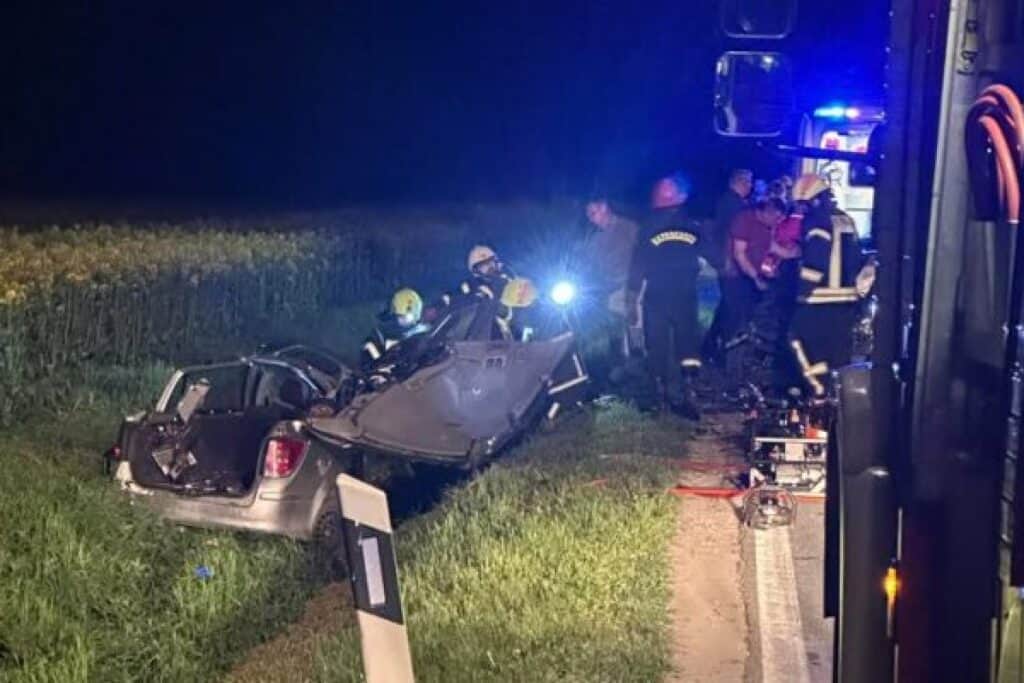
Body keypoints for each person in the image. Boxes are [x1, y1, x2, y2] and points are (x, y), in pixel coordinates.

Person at [787, 174, 876, 397]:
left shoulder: (817, 222)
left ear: (816, 200)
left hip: (818, 300)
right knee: (839, 356)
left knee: (799, 344)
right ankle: (836, 400)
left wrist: (801, 291)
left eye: (804, 204)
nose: (801, 210)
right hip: (846, 301)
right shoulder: (845, 219)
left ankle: (816, 394)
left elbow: (816, 259)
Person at [627, 173, 704, 418]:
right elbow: (714, 255)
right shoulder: (688, 224)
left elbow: (638, 263)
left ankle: (674, 394)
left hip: (669, 293)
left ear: (680, 195)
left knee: (669, 343)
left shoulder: (656, 225)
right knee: (675, 343)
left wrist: (632, 294)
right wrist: (632, 295)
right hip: (671, 293)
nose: (657, 191)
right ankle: (668, 394)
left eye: (664, 188)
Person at [581, 198, 640, 364]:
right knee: (616, 325)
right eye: (588, 215)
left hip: (632, 284)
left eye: (593, 213)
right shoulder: (596, 238)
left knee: (635, 323)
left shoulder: (628, 227)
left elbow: (642, 253)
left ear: (604, 207)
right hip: (611, 287)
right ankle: (621, 360)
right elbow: (590, 263)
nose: (591, 218)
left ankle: (639, 359)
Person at [704, 168, 753, 364]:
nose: (750, 186)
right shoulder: (732, 204)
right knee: (733, 308)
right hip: (730, 263)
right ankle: (722, 349)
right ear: (739, 181)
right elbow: (727, 234)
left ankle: (709, 346)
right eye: (748, 181)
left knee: (726, 306)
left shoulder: (732, 202)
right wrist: (728, 261)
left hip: (730, 262)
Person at [722, 198, 787, 344]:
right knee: (734, 314)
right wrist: (756, 278)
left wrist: (792, 253)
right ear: (768, 212)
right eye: (776, 218)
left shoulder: (767, 227)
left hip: (751, 275)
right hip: (736, 274)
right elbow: (740, 254)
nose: (778, 222)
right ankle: (726, 347)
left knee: (745, 311)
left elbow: (770, 247)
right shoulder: (745, 220)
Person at [361, 287, 429, 374]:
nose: (401, 319)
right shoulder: (385, 333)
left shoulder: (423, 332)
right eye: (399, 316)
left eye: (403, 316)